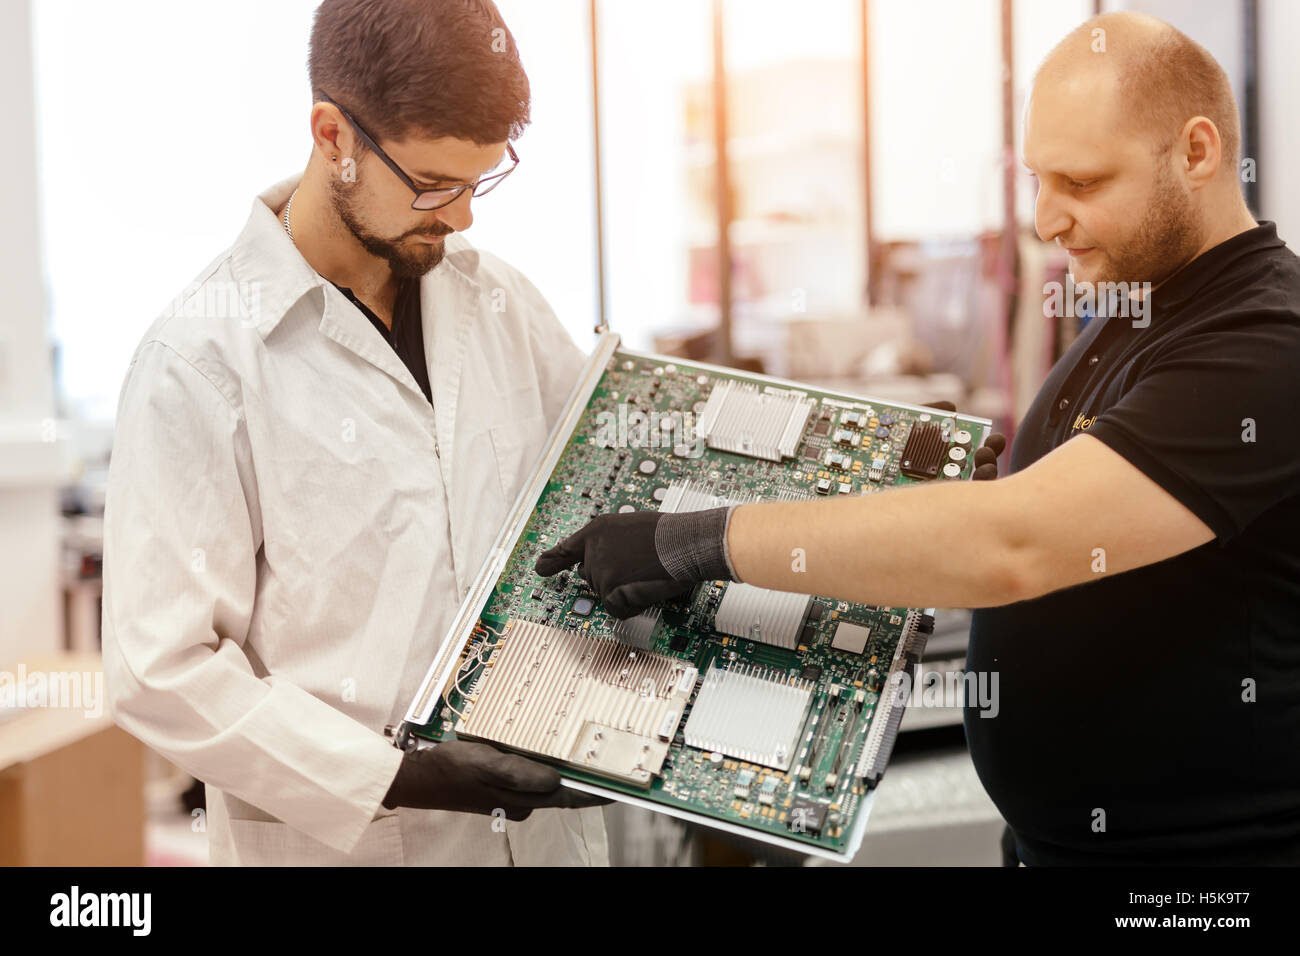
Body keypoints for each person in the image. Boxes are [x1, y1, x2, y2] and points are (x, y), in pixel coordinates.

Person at [537, 12, 1300, 866]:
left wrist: (699, 539)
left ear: (1197, 153)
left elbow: (1016, 539)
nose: (1048, 218)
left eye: (1081, 183)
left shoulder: (1268, 341)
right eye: (1038, 180)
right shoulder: (1140, 304)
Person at [102, 0, 608, 866]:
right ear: (332, 134)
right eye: (433, 186)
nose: (461, 219)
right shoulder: (199, 361)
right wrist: (404, 776)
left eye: (479, 182)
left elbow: (597, 500)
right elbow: (162, 673)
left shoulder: (505, 307)